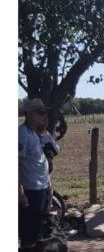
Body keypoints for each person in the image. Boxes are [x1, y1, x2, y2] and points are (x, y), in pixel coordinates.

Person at [19, 98, 53, 250]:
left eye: (44, 112)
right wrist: (20, 193)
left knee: (40, 229)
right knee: (29, 234)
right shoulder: (22, 134)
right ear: (30, 114)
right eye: (40, 112)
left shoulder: (35, 133)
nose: (44, 116)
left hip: (42, 188)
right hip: (31, 190)